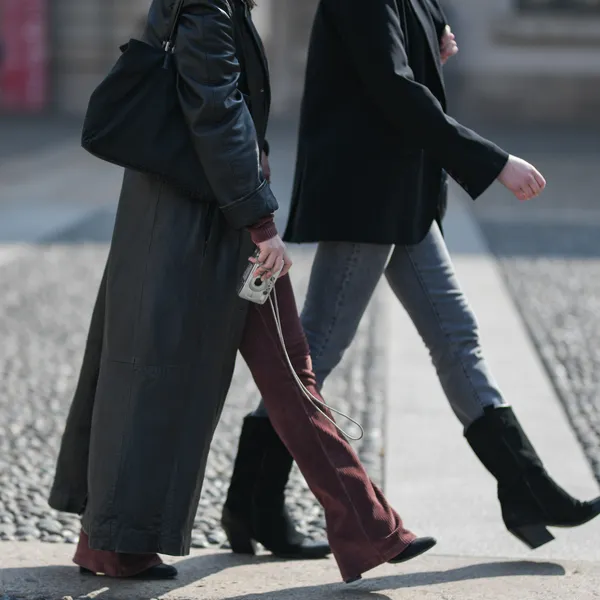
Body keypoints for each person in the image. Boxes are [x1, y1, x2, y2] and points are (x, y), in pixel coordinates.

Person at [48, 0, 437, 584]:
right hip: (210, 227)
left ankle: (368, 527)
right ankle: (112, 543)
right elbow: (216, 110)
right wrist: (259, 221)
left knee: (250, 371)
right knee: (160, 372)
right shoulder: (208, 6)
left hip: (192, 217)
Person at [226, 0, 600, 554]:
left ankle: (526, 488)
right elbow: (393, 85)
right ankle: (251, 501)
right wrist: (493, 162)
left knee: (456, 335)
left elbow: (406, 49)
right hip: (369, 195)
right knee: (320, 347)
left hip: (402, 195)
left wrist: (435, 33)